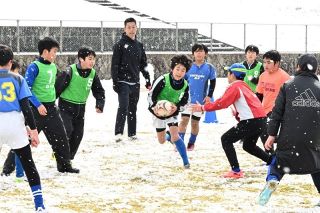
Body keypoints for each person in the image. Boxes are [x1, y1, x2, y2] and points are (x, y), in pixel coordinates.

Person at [258, 54, 320, 206]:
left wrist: (271, 134)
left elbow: (276, 113)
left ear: (298, 67)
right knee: (317, 164)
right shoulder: (319, 89)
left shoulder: (287, 85)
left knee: (278, 162)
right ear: (316, 70)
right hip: (313, 137)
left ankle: (273, 179)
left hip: (289, 136)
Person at [191, 63, 272, 178]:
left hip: (252, 121)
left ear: (232, 74)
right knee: (248, 145)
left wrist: (203, 107)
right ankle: (272, 161)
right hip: (261, 120)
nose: (227, 76)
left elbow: (222, 102)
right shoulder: (244, 86)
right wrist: (238, 115)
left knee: (226, 139)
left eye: (228, 73)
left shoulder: (235, 86)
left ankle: (236, 171)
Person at [0, 44, 46, 211]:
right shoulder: (17, 79)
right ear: (11, 62)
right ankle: (39, 205)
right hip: (14, 124)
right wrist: (33, 130)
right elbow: (26, 108)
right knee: (29, 165)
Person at [25, 37, 79, 173]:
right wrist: (37, 105)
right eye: (54, 51)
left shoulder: (53, 67)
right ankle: (8, 169)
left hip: (52, 110)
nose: (55, 55)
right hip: (36, 110)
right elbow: (26, 88)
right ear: (45, 51)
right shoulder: (34, 67)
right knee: (25, 140)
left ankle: (65, 166)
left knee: (61, 138)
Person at [55, 46, 105, 160]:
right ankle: (59, 154)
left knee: (78, 135)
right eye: (90, 58)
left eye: (94, 59)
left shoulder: (92, 74)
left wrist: (100, 104)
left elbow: (99, 90)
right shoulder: (70, 71)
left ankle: (69, 158)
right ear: (81, 59)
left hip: (80, 109)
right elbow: (58, 88)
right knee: (67, 130)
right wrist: (49, 103)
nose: (92, 62)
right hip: (65, 107)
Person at [148, 54, 192, 168]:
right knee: (161, 141)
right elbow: (151, 95)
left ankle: (186, 162)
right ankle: (167, 137)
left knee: (176, 136)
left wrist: (176, 107)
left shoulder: (185, 85)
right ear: (172, 69)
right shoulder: (163, 79)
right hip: (158, 112)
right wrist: (154, 107)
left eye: (183, 70)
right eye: (177, 69)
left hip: (172, 112)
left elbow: (185, 102)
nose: (179, 72)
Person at [111, 17, 151, 142]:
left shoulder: (139, 45)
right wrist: (115, 82)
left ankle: (132, 133)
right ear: (124, 29)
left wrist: (147, 79)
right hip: (122, 81)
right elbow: (115, 65)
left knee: (133, 108)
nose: (131, 29)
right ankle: (118, 133)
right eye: (129, 27)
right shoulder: (119, 45)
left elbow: (143, 64)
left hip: (135, 81)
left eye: (133, 27)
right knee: (123, 106)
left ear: (136, 28)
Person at [177, 43, 216, 151]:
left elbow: (212, 82)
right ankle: (179, 143)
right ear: (193, 54)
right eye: (196, 51)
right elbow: (181, 80)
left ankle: (191, 143)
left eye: (201, 51)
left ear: (205, 53)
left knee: (195, 123)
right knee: (184, 120)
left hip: (199, 101)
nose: (199, 53)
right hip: (187, 100)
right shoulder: (188, 66)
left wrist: (209, 96)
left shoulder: (209, 67)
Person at [256, 50, 291, 150]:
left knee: (268, 133)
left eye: (269, 62)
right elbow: (259, 94)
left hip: (278, 111)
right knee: (263, 134)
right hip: (264, 110)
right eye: (264, 62)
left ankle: (278, 152)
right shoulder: (263, 76)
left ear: (277, 63)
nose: (265, 65)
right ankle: (271, 157)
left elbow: (289, 97)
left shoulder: (285, 77)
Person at [1, 60, 23, 177]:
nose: (18, 74)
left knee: (18, 149)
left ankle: (17, 173)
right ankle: (19, 174)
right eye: (16, 72)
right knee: (19, 148)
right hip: (14, 121)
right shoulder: (16, 81)